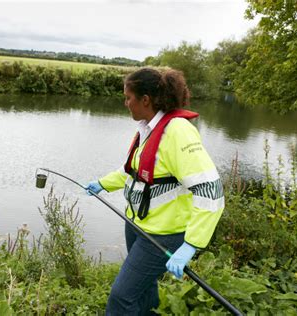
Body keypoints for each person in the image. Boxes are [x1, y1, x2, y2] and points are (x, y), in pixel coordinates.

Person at [86, 67, 224, 315]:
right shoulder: (148, 129)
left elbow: (210, 190)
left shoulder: (178, 132)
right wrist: (102, 183)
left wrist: (190, 245)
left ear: (145, 100)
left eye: (128, 97)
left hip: (163, 235)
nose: (125, 103)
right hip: (139, 226)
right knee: (144, 288)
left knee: (121, 298)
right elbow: (135, 172)